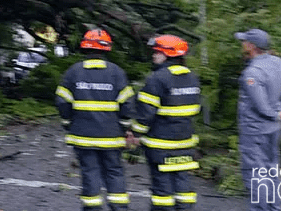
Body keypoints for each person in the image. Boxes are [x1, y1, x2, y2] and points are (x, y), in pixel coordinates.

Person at [55, 28, 136, 211]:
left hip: (83, 136)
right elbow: (127, 103)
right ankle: (119, 208)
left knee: (90, 172)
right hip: (111, 136)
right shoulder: (116, 73)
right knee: (114, 172)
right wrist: (124, 127)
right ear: (107, 49)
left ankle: (93, 208)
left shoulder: (73, 72)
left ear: (85, 47)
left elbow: (62, 101)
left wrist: (68, 123)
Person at [131, 34, 201, 211]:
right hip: (185, 142)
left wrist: (135, 133)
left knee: (162, 190)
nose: (153, 55)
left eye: (156, 51)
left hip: (160, 144)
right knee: (183, 184)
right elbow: (195, 109)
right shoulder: (192, 77)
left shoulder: (157, 78)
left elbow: (146, 113)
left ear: (167, 54)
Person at [234, 28, 281, 211]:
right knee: (272, 169)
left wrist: (274, 114)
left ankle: (260, 208)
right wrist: (278, 114)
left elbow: (261, 105)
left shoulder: (252, 73)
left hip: (255, 129)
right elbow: (277, 93)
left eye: (244, 43)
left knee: (255, 173)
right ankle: (275, 207)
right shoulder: (279, 63)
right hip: (274, 128)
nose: (242, 45)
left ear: (251, 46)